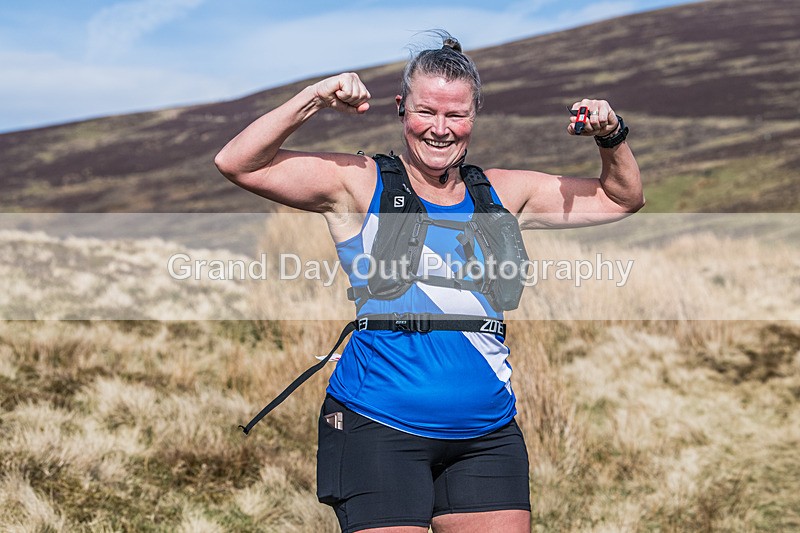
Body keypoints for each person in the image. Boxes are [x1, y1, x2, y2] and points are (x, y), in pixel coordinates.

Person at [215, 32, 643, 533]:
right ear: (401, 108)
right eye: (426, 112)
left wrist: (610, 136)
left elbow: (621, 199)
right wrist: (315, 96)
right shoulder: (359, 182)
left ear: (473, 117)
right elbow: (237, 162)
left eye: (456, 115)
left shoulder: (503, 193)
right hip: (377, 427)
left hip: (487, 435)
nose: (440, 129)